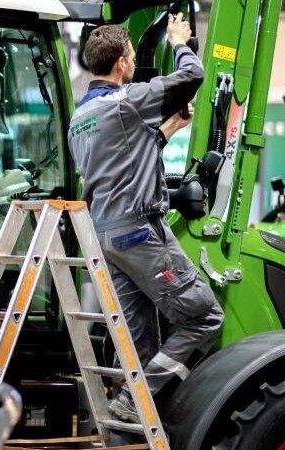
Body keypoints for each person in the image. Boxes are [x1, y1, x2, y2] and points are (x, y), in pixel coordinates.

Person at [68, 14, 224, 422]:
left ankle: (129, 413)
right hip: (140, 234)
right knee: (205, 316)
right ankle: (131, 403)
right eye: (133, 56)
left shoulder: (81, 117)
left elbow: (129, 157)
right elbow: (192, 75)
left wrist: (171, 125)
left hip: (107, 238)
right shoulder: (128, 100)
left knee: (141, 344)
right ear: (121, 63)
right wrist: (179, 41)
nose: (135, 63)